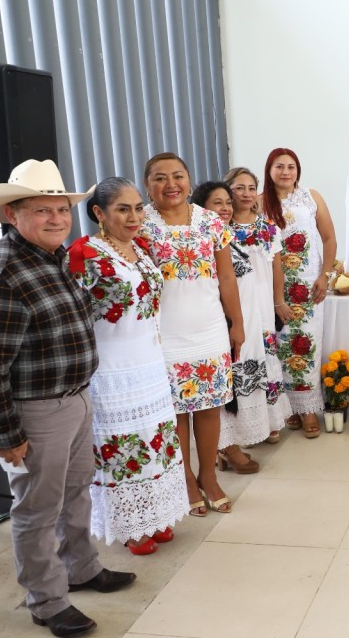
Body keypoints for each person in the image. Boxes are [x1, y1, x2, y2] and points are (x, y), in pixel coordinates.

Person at [0, 160, 135, 637]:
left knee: (76, 492)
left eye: (62, 209)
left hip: (76, 398)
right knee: (38, 509)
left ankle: (81, 569)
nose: (58, 219)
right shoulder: (2, 272)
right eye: (43, 210)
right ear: (13, 215)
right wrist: (5, 434)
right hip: (37, 411)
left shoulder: (54, 257)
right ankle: (46, 600)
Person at [67, 177, 188, 555]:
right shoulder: (84, 253)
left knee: (154, 440)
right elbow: (73, 317)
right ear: (99, 213)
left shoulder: (141, 248)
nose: (134, 216)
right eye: (123, 209)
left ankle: (154, 515)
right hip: (111, 368)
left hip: (149, 362)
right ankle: (128, 525)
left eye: (138, 207)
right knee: (122, 446)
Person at [141, 153, 244, 516]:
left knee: (209, 407)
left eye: (178, 176)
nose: (170, 184)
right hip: (164, 333)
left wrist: (237, 322)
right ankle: (185, 478)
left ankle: (209, 476)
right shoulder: (141, 225)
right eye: (160, 178)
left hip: (209, 327)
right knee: (177, 412)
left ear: (189, 179)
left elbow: (227, 277)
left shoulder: (211, 222)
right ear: (147, 185)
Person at [260, 148, 337, 437]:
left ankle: (306, 410)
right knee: (278, 348)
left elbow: (329, 239)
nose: (285, 172)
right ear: (268, 170)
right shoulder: (259, 204)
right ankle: (286, 409)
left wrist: (324, 276)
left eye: (291, 166)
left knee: (307, 345)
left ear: (298, 170)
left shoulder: (311, 197)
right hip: (272, 289)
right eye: (279, 166)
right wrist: (274, 297)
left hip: (309, 288)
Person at [225, 167, 294, 440]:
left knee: (265, 354)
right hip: (235, 302)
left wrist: (278, 303)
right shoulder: (221, 228)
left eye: (251, 188)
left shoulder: (268, 228)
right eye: (239, 187)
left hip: (263, 303)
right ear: (228, 190)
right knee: (240, 357)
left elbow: (278, 269)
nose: (245, 193)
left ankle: (270, 421)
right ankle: (243, 427)